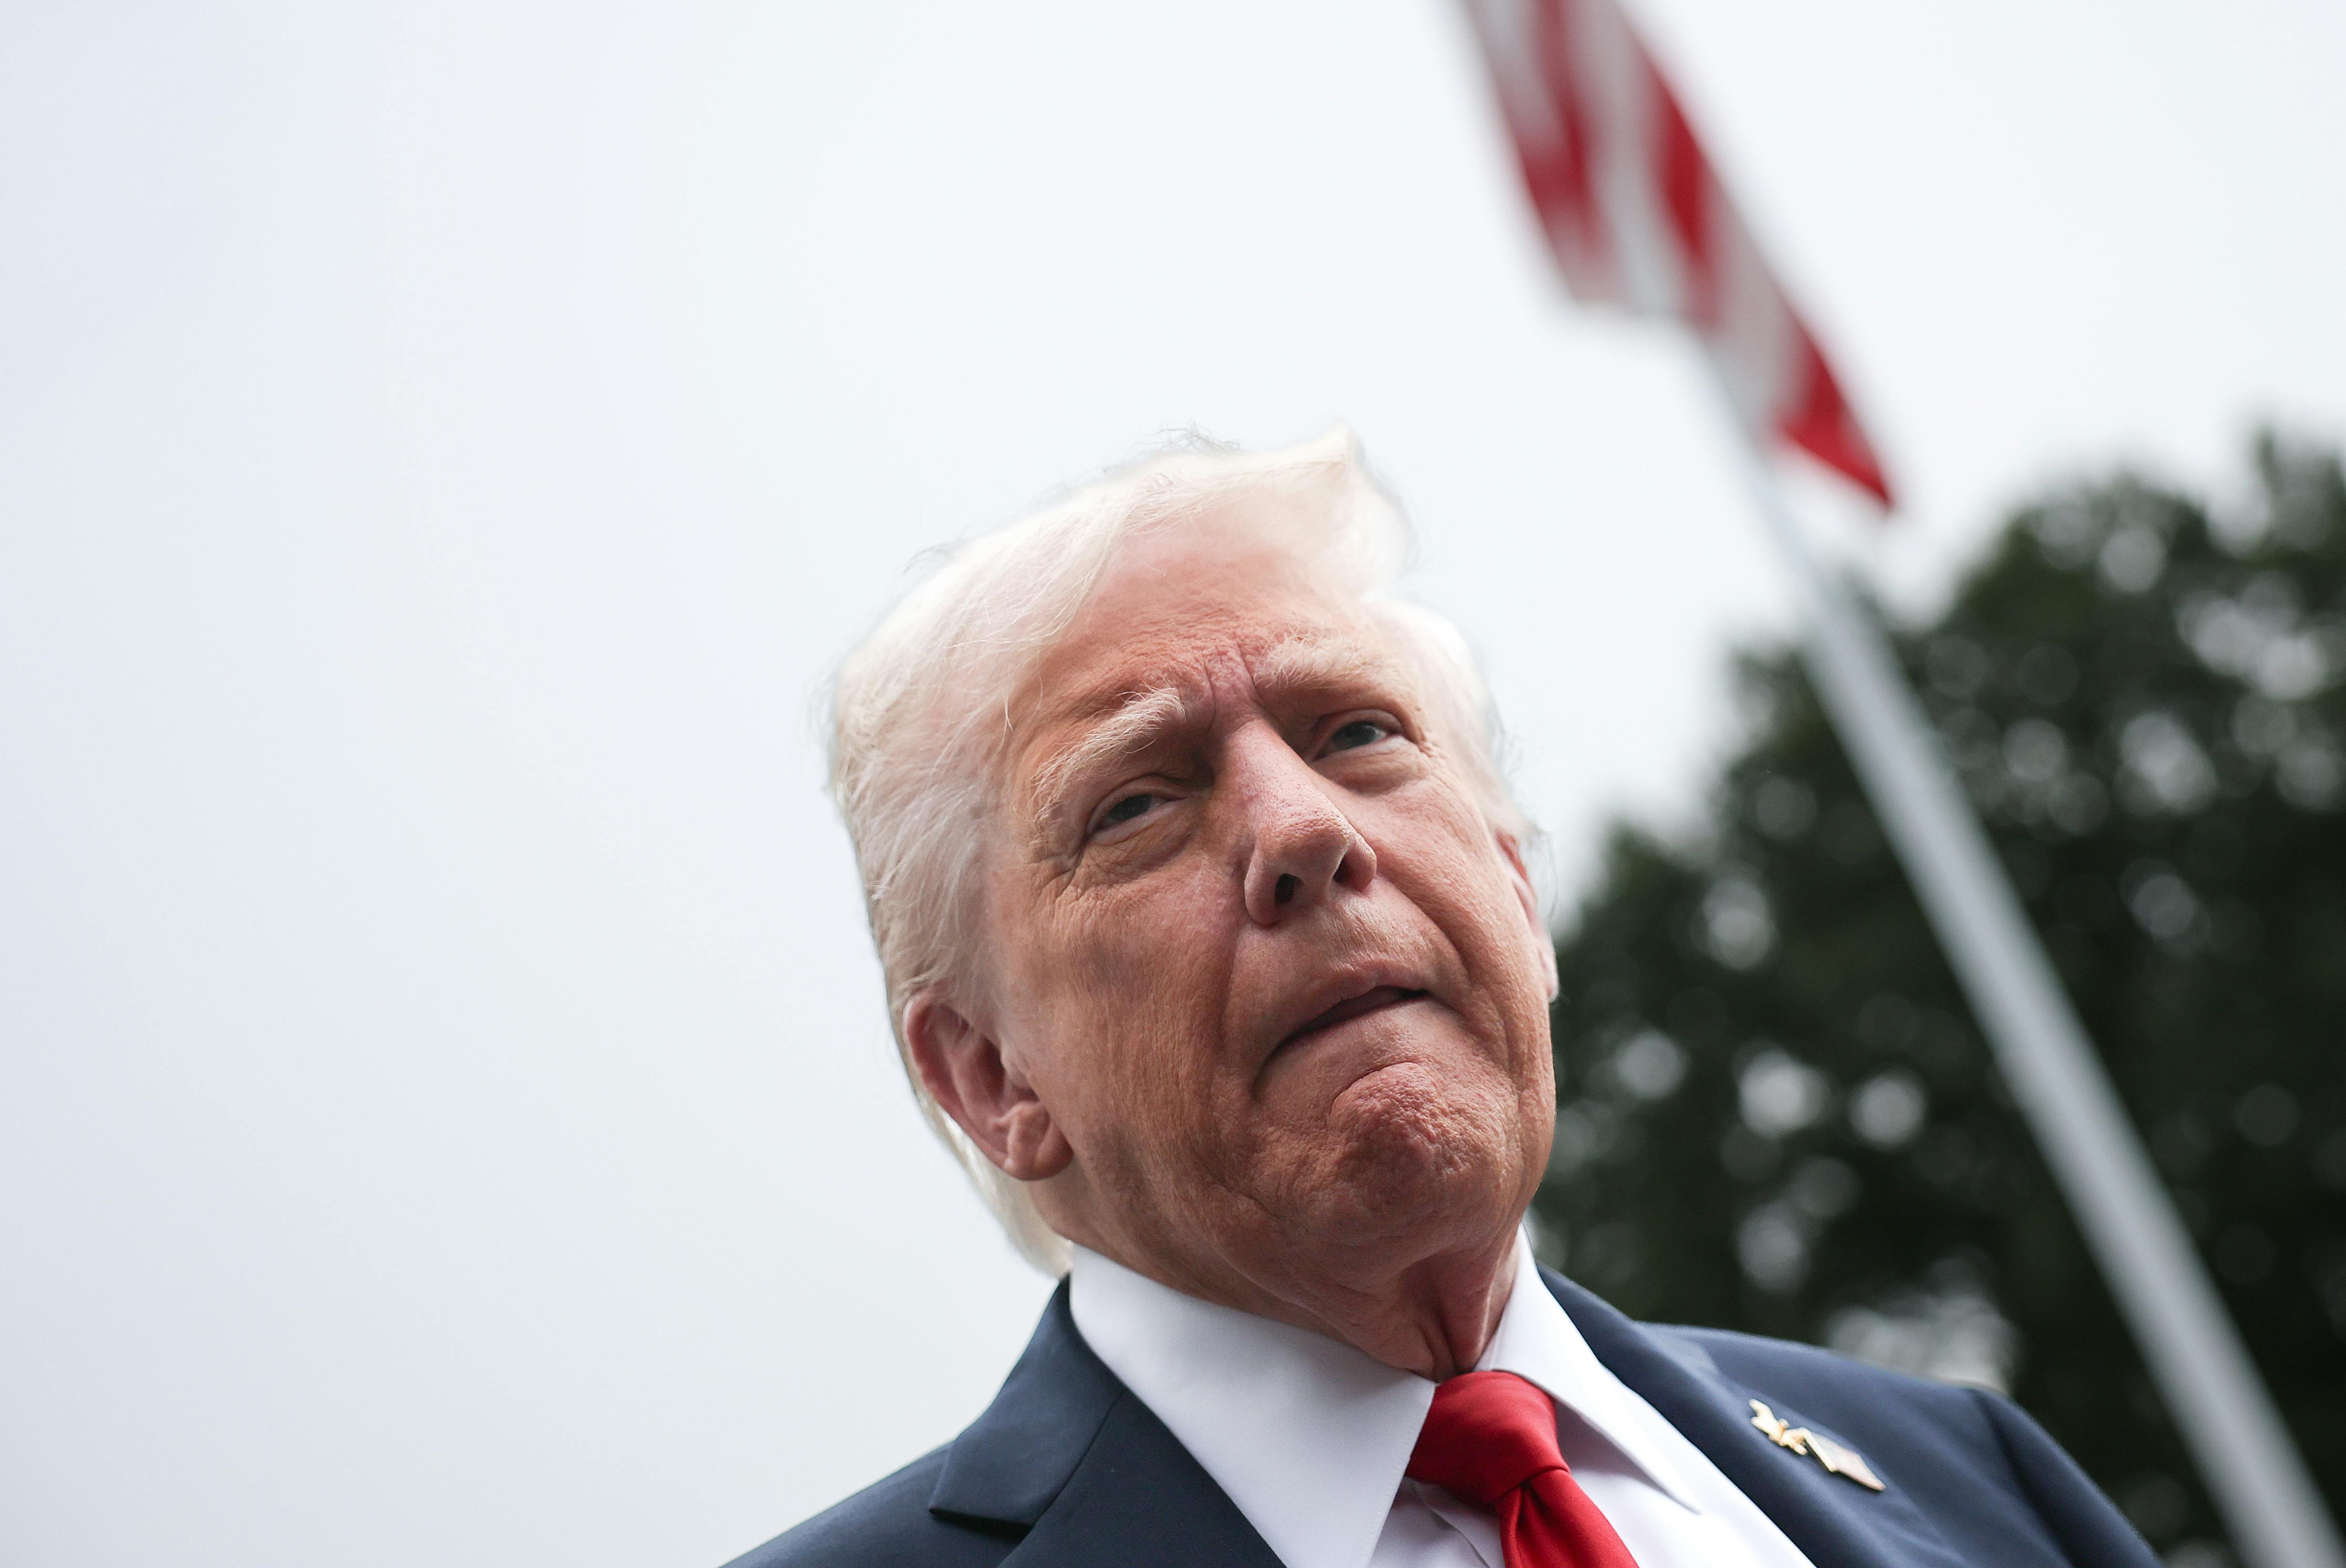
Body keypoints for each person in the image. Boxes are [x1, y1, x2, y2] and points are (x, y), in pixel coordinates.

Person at [731, 433, 2155, 1568]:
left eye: (1359, 732)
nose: (1304, 829)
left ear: (1519, 897)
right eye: (1138, 802)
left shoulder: (1978, 1482)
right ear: (990, 1076)